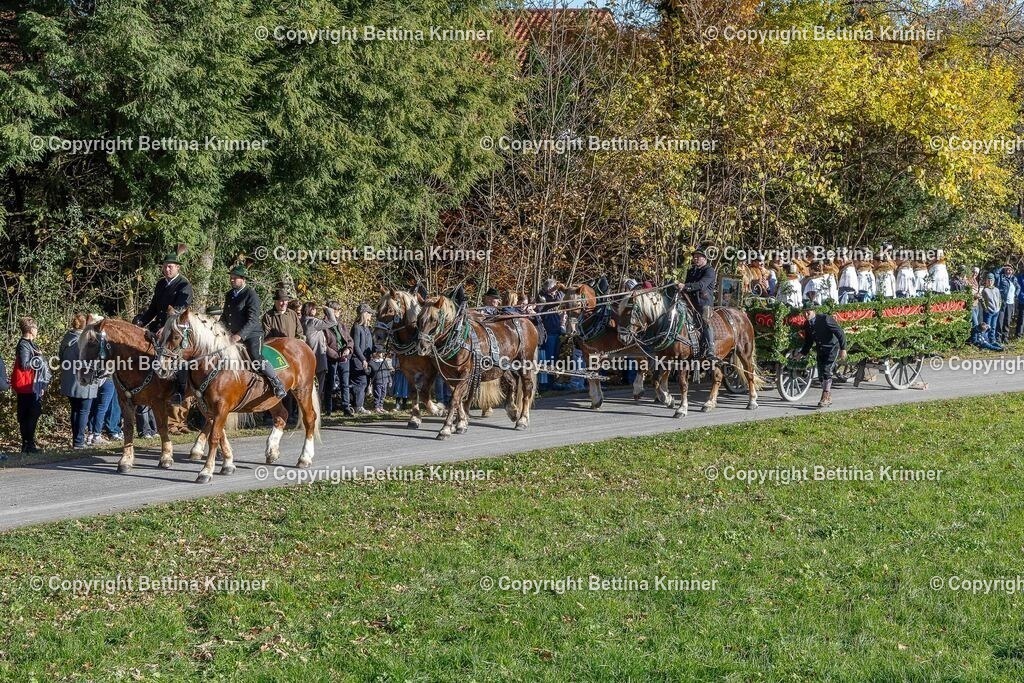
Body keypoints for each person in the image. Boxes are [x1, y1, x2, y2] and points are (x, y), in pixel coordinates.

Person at [133, 248, 193, 405]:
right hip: (158, 324)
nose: (167, 269)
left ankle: (179, 391)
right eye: (165, 266)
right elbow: (153, 307)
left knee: (180, 354)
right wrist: (140, 322)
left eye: (170, 266)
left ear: (177, 267)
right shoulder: (160, 284)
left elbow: (179, 311)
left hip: (176, 327)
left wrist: (166, 327)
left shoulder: (184, 285)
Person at [220, 264, 287, 399]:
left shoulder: (251, 295)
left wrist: (239, 335)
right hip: (232, 334)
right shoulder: (229, 295)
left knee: (256, 357)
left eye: (235, 278)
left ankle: (277, 382)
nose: (232, 280)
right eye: (231, 278)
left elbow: (252, 320)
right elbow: (226, 316)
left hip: (252, 334)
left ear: (243, 279)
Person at [793, 302, 848, 409]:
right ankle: (828, 395)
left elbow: (840, 332)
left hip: (832, 348)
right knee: (821, 374)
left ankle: (825, 396)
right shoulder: (807, 324)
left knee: (827, 371)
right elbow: (808, 342)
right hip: (821, 349)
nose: (806, 314)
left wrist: (843, 348)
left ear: (814, 311)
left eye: (808, 312)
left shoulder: (825, 319)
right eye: (804, 312)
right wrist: (801, 354)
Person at [59, 313, 98, 449]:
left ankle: (76, 440)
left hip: (69, 381)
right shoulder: (85, 341)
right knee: (83, 411)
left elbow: (61, 359)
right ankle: (79, 441)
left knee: (75, 410)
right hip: (84, 381)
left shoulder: (66, 338)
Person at [12, 317, 50, 453]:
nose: (37, 330)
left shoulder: (30, 343)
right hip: (26, 385)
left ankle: (29, 443)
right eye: (36, 328)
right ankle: (28, 444)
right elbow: (24, 365)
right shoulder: (24, 344)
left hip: (32, 384)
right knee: (30, 414)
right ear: (31, 330)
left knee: (31, 414)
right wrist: (38, 358)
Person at [679, 246, 718, 361]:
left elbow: (701, 285)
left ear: (705, 258)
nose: (695, 259)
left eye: (698, 257)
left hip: (703, 303)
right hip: (689, 302)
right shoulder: (691, 271)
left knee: (705, 320)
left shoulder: (709, 270)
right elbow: (687, 286)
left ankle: (711, 348)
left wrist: (686, 286)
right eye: (694, 257)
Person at [301, 301, 334, 408]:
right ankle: (316, 407)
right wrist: (327, 309)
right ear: (311, 310)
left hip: (305, 359)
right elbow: (332, 322)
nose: (316, 311)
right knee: (319, 386)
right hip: (318, 357)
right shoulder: (313, 322)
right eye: (314, 308)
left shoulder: (300, 321)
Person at [536, 279, 566, 390]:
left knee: (555, 358)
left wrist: (558, 287)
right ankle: (546, 383)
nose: (553, 292)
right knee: (548, 358)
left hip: (557, 331)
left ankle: (553, 380)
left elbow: (562, 296)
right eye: (550, 290)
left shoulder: (558, 295)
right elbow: (556, 301)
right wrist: (552, 290)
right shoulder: (542, 297)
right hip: (548, 333)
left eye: (554, 290)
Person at [350, 303, 374, 414]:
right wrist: (363, 359)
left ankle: (360, 404)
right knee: (360, 382)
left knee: (366, 381)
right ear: (364, 313)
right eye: (369, 313)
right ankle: (357, 406)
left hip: (367, 359)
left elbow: (370, 345)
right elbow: (356, 346)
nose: (371, 315)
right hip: (358, 360)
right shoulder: (357, 327)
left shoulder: (367, 328)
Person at [368, 346, 395, 414]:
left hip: (385, 381)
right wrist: (365, 369)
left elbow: (388, 371)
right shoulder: (372, 363)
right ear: (375, 353)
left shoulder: (384, 362)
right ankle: (376, 407)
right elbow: (369, 372)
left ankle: (381, 407)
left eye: (381, 353)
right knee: (378, 395)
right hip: (377, 381)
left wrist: (390, 380)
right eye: (379, 353)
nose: (381, 354)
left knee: (383, 395)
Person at [980, 273, 1002, 347]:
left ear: (993, 281)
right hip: (988, 311)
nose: (990, 282)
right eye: (988, 280)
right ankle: (986, 341)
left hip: (996, 311)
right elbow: (982, 301)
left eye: (991, 280)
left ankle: (992, 340)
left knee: (993, 327)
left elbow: (1000, 299)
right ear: (986, 281)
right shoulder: (984, 290)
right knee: (987, 327)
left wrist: (999, 307)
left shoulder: (997, 289)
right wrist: (986, 309)